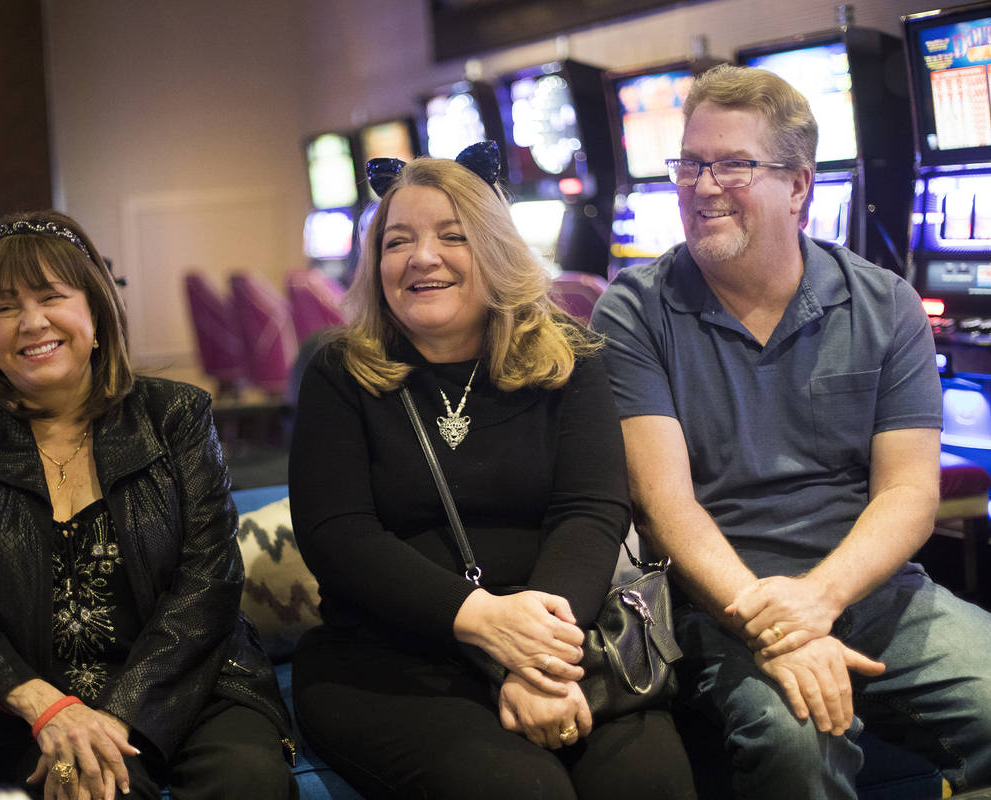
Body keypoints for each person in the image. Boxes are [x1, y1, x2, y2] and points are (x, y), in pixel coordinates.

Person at [593, 64, 991, 799]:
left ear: (799, 186)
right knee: (800, 741)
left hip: (871, 588)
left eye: (734, 164)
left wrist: (819, 599)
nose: (703, 187)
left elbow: (907, 494)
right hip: (720, 603)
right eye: (690, 164)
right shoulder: (633, 310)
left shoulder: (884, 301)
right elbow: (664, 507)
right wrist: (775, 623)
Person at [288, 144, 696, 800]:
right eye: (398, 241)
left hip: (564, 641)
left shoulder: (574, 358)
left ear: (498, 248)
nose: (423, 257)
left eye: (454, 235)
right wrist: (482, 620)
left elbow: (591, 511)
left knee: (652, 786)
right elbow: (339, 537)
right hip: (392, 659)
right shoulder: (340, 372)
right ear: (376, 262)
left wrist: (538, 658)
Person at [0, 211, 296, 800]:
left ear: (96, 312)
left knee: (248, 784)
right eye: (5, 307)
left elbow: (211, 581)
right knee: (92, 790)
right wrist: (45, 707)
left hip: (193, 684)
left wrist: (118, 713)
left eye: (51, 296)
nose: (32, 323)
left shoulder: (175, 414)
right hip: (43, 708)